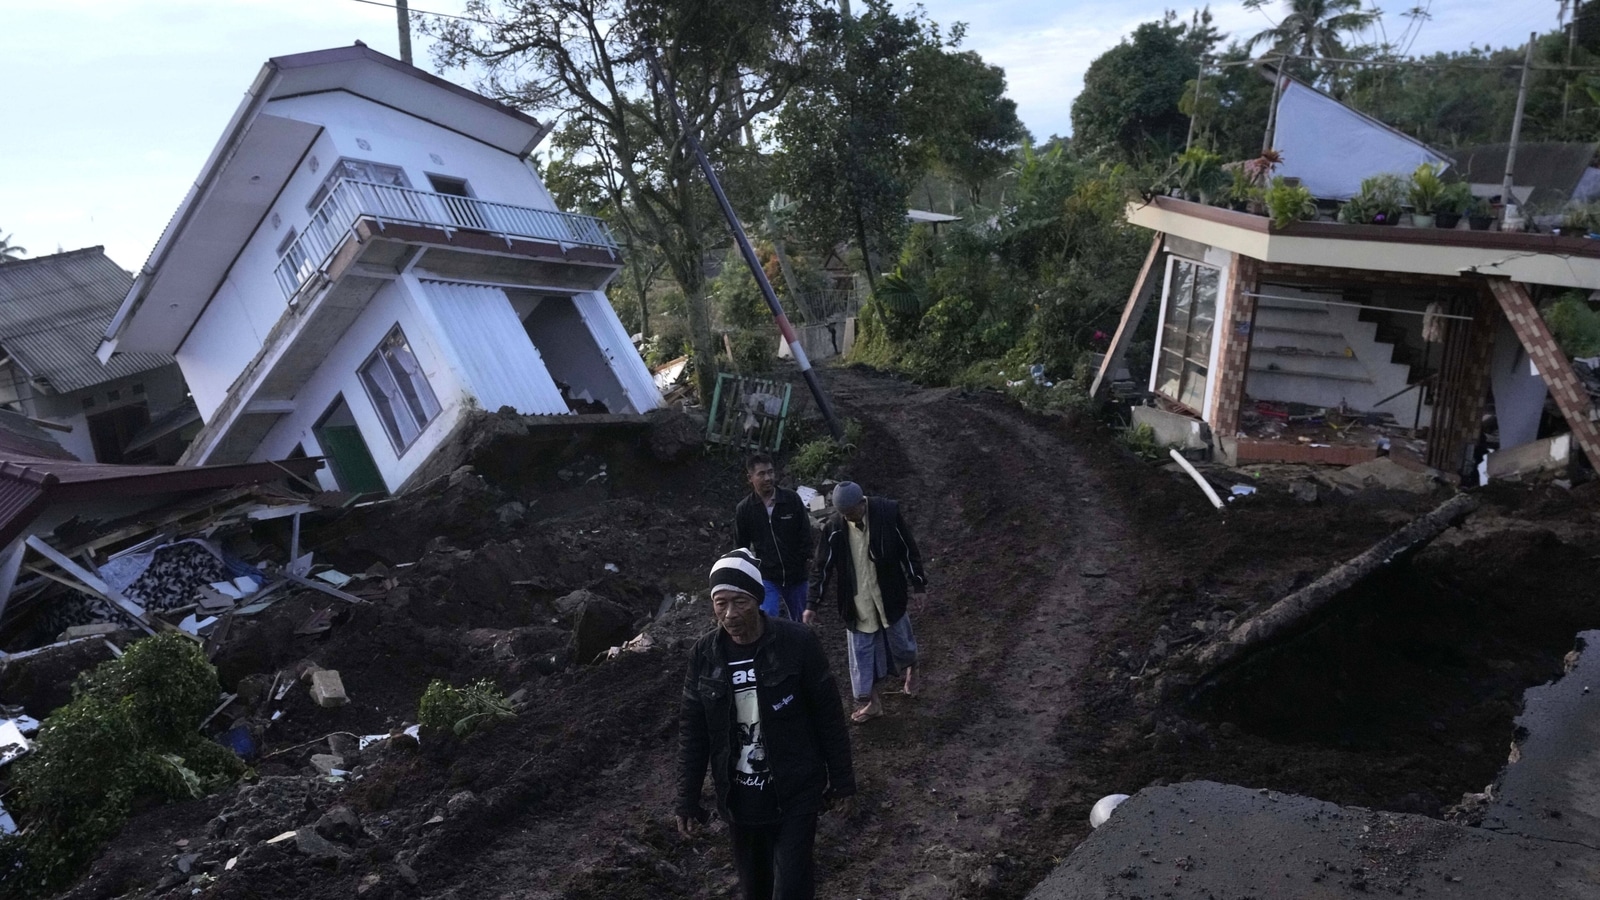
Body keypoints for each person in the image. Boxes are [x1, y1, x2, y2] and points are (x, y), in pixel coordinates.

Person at [676, 549, 856, 900]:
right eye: (720, 603)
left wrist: (843, 781)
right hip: (740, 800)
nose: (730, 614)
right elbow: (693, 732)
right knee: (755, 891)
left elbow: (829, 716)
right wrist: (687, 799)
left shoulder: (797, 643)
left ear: (757, 600)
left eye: (740, 602)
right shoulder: (704, 655)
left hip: (795, 790)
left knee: (791, 889)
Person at [809, 481, 928, 723]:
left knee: (902, 645)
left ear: (862, 503)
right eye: (845, 514)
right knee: (862, 658)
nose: (850, 518)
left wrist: (918, 585)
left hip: (889, 595)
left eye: (852, 512)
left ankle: (912, 670)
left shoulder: (887, 513)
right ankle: (873, 704)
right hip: (857, 603)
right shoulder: (834, 528)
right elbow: (821, 567)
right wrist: (812, 604)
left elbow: (908, 549)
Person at [733, 453, 814, 621]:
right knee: (767, 617)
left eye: (770, 472)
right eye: (761, 474)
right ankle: (772, 647)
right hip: (767, 576)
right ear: (750, 477)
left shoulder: (791, 499)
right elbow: (741, 547)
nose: (768, 478)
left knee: (801, 622)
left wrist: (803, 559)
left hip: (796, 574)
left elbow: (805, 532)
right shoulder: (745, 509)